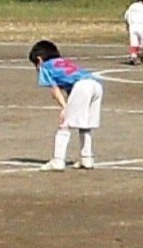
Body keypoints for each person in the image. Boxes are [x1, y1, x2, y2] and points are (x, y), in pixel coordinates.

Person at [29, 40, 104, 172]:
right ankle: (87, 158)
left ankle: (58, 160)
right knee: (85, 124)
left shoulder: (45, 66)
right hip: (96, 85)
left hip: (82, 87)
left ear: (39, 59)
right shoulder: (63, 63)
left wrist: (65, 108)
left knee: (65, 124)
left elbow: (54, 89)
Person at [123, 0, 143, 65]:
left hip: (132, 26)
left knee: (134, 42)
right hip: (141, 25)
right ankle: (139, 52)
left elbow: (126, 16)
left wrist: (127, 26)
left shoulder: (132, 6)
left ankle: (133, 56)